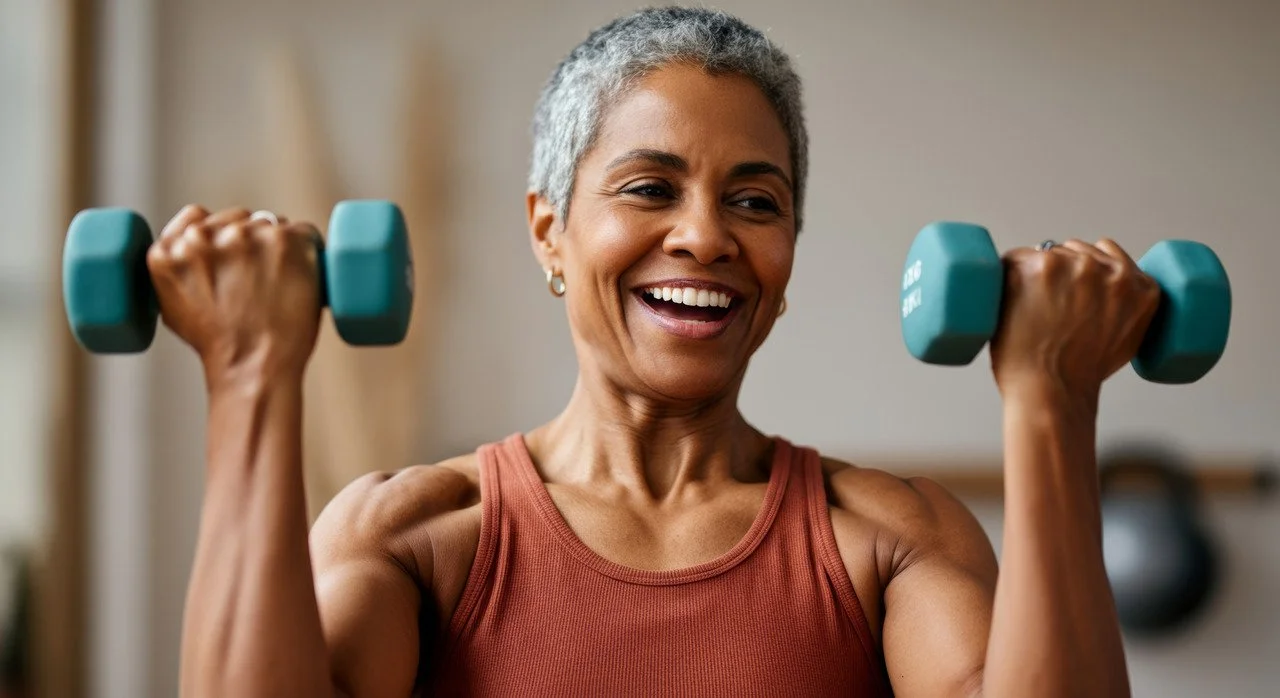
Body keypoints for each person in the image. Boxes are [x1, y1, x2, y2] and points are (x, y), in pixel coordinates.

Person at [164, 7, 1153, 697]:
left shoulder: (888, 540)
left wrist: (1051, 397)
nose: (706, 236)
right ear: (549, 231)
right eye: (649, 188)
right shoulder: (421, 536)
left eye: (754, 201)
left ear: (788, 253)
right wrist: (250, 371)